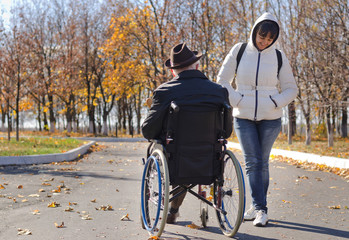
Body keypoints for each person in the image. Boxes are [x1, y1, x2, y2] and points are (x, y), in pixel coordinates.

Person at [217, 12, 297, 227]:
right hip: (243, 117)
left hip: (270, 118)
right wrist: (238, 99)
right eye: (262, 38)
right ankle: (261, 209)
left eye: (270, 40)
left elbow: (291, 89)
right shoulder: (239, 50)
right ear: (255, 32)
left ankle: (256, 206)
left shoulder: (279, 56)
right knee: (253, 162)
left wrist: (275, 102)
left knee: (262, 162)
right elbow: (222, 80)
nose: (264, 43)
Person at [142, 42, 232, 224]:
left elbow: (147, 130)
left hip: (177, 160)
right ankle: (174, 208)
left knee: (164, 149)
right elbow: (227, 131)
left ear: (173, 71)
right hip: (209, 162)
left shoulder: (165, 91)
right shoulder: (219, 92)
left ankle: (172, 209)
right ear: (197, 66)